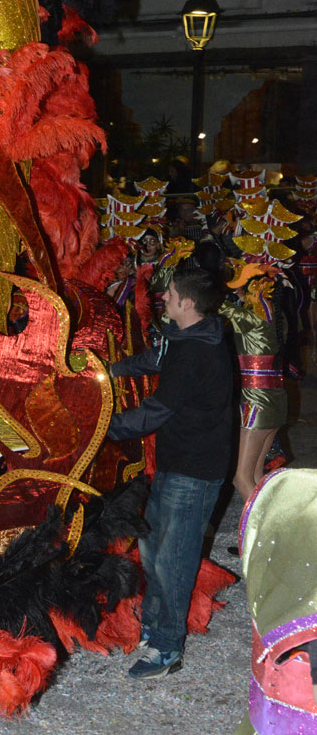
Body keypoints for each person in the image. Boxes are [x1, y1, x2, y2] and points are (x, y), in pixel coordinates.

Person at [106, 263, 233, 679]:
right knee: (153, 548)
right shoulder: (191, 333)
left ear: (188, 302)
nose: (165, 296)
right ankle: (155, 628)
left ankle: (166, 649)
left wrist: (101, 428)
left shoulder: (197, 351)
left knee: (173, 561)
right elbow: (155, 357)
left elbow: (152, 414)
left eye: (171, 293)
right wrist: (108, 372)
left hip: (194, 470)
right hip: (177, 461)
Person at [221, 263, 288, 502]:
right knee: (257, 474)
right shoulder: (275, 316)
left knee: (241, 477)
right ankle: (269, 525)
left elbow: (210, 302)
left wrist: (229, 284)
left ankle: (260, 532)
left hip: (256, 404)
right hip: (276, 402)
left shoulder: (249, 318)